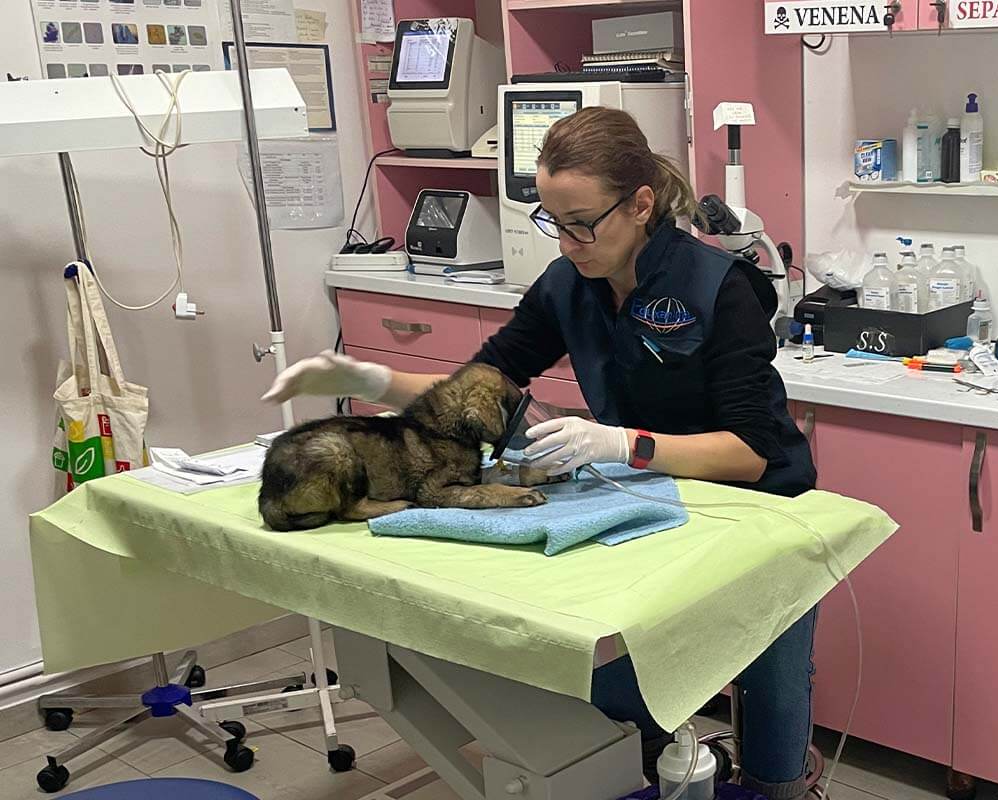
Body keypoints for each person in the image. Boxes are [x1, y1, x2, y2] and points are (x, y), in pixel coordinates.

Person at [263, 106, 818, 800]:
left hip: (764, 508)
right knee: (626, 667)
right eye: (552, 220)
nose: (568, 242)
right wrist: (364, 378)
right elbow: (478, 386)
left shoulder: (718, 288)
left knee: (767, 667)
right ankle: (640, 770)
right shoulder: (568, 285)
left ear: (642, 204)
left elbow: (751, 454)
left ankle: (779, 787)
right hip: (656, 501)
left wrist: (620, 442)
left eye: (582, 221)